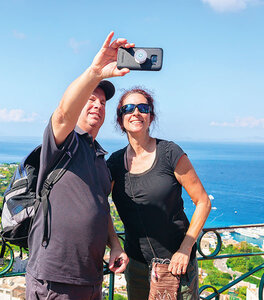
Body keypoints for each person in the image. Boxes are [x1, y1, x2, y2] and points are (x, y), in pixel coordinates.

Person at [25, 32, 131, 300]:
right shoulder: (65, 142)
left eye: (102, 102)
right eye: (90, 100)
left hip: (92, 277)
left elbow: (100, 208)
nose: (97, 105)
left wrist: (115, 245)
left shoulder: (99, 157)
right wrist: (95, 72)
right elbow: (62, 114)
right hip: (55, 278)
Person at [107, 88, 212, 299]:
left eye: (143, 108)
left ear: (150, 117)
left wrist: (185, 248)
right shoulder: (114, 164)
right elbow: (100, 208)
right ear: (121, 119)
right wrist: (115, 245)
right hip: (136, 266)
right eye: (128, 109)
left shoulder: (169, 153)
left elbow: (203, 202)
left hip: (176, 266)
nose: (136, 112)